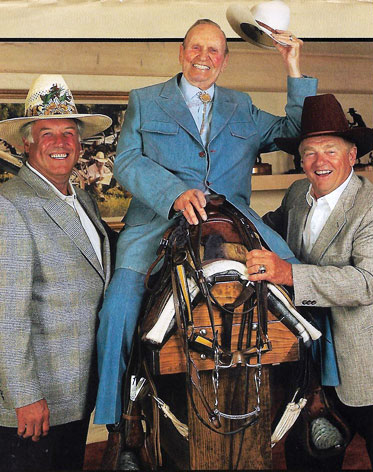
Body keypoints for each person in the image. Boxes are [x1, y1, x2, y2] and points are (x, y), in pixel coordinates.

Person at [95, 18, 318, 425]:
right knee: (120, 307)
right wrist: (172, 195)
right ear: (181, 53)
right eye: (195, 48)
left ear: (225, 60)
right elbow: (125, 160)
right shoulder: (144, 100)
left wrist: (293, 65)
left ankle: (321, 398)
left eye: (213, 50)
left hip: (236, 221)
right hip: (157, 226)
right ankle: (118, 419)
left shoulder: (242, 106)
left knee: (304, 283)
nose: (203, 57)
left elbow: (296, 131)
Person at [246, 93, 373, 469]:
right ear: (300, 160)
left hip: (364, 364)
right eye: (310, 152)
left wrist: (288, 273)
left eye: (331, 150)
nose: (320, 161)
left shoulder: (371, 206)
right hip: (309, 365)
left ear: (352, 155)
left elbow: (367, 282)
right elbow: (271, 229)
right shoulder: (297, 195)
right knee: (306, 459)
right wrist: (227, 218)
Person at [0, 74, 113, 471]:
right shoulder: (10, 206)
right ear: (26, 143)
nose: (60, 142)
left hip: (74, 393)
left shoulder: (81, 199)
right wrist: (25, 395)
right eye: (46, 132)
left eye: (68, 132)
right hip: (35, 403)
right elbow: (6, 317)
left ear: (80, 144)